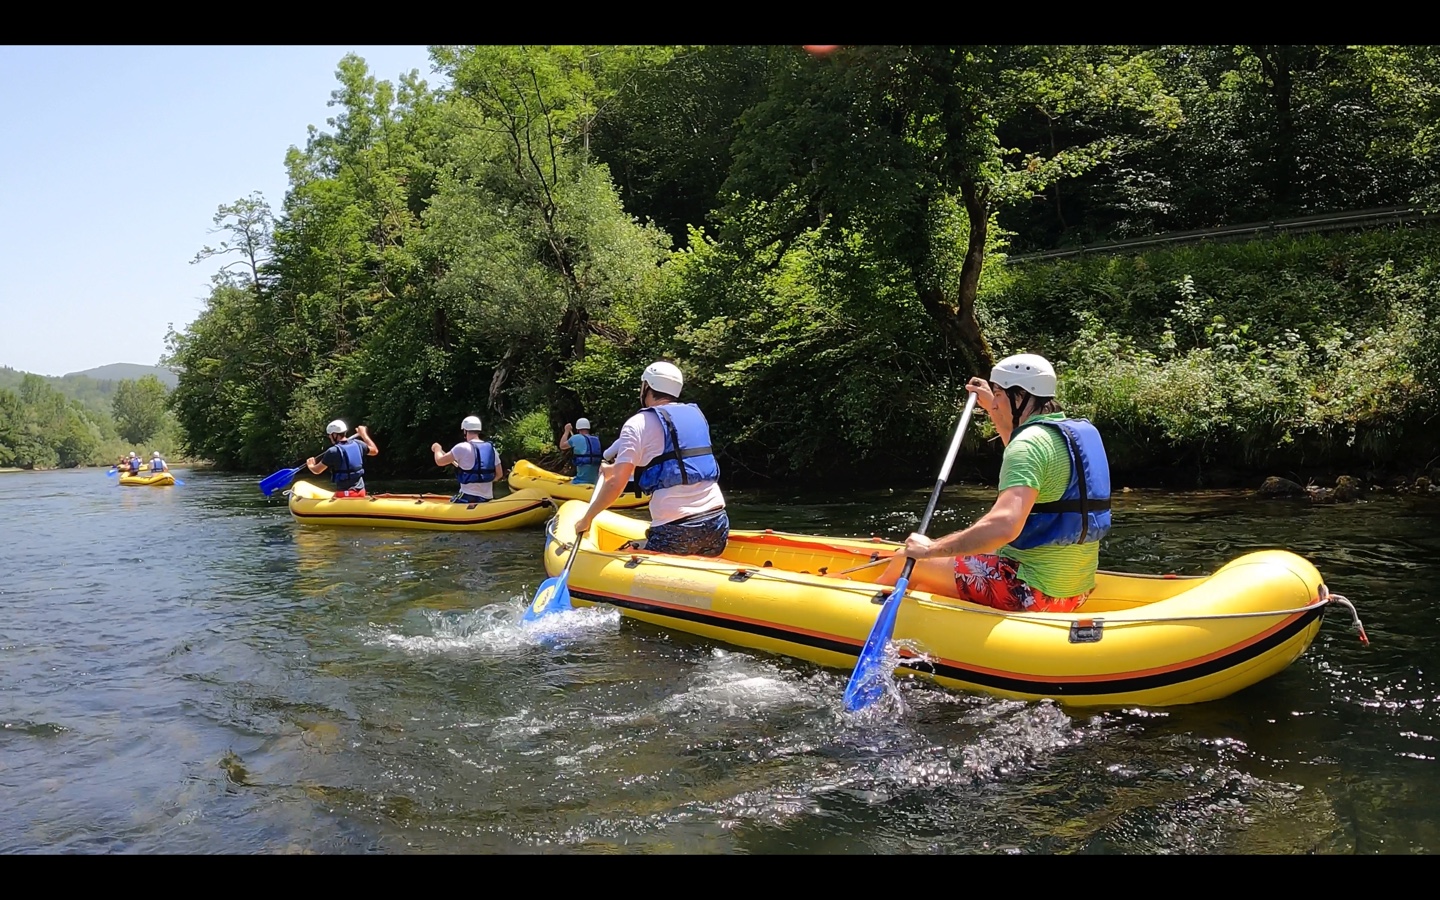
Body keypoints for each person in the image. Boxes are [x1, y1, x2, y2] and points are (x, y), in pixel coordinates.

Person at [877, 353, 1111, 613]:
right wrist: (992, 406)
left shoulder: (1028, 445)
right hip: (1075, 592)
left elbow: (1003, 526)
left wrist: (930, 550)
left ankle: (865, 610)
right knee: (951, 546)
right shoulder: (1068, 434)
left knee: (906, 559)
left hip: (1028, 591)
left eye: (999, 394)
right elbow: (1026, 453)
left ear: (1020, 396)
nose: (996, 402)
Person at [575, 361, 729, 557]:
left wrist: (587, 519)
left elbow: (616, 485)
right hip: (717, 525)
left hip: (675, 532)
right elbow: (672, 461)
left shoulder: (638, 424)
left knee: (628, 551)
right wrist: (613, 469)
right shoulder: (696, 416)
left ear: (647, 387)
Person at [431, 415, 504, 503]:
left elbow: (440, 461)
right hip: (487, 498)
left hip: (468, 497)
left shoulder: (462, 447)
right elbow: (499, 474)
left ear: (465, 431)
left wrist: (437, 449)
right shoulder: (491, 449)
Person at [306, 420, 379, 498]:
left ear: (335, 434)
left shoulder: (333, 451)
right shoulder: (358, 444)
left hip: (345, 494)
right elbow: (375, 451)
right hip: (361, 492)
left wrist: (310, 465)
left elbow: (317, 470)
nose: (330, 437)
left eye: (330, 435)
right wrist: (364, 435)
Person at [561, 417, 603, 485]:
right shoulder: (596, 439)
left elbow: (562, 446)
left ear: (577, 429)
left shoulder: (576, 438)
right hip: (595, 481)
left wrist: (567, 431)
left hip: (581, 481)